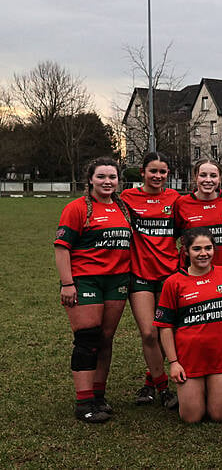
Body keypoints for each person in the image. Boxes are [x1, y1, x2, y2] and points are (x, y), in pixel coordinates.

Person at [55, 157, 133, 422]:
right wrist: (67, 283)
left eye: (112, 177)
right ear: (90, 179)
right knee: (87, 340)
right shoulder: (76, 208)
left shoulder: (123, 208)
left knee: (105, 339)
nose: (107, 182)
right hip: (85, 280)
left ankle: (99, 396)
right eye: (101, 177)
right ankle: (84, 402)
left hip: (116, 282)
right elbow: (62, 247)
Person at [154, 228, 222, 423]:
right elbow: (165, 326)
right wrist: (173, 363)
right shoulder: (173, 283)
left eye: (208, 248)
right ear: (186, 251)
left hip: (220, 356)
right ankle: (199, 390)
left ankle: (216, 390)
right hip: (189, 358)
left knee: (220, 415)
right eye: (197, 249)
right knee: (191, 417)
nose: (203, 253)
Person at [121, 151, 180, 407]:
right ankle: (163, 388)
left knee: (169, 333)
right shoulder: (127, 197)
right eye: (153, 171)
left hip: (169, 273)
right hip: (140, 273)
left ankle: (151, 381)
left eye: (162, 172)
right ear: (143, 172)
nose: (157, 176)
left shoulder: (176, 198)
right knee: (148, 333)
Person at [174, 159, 222, 269]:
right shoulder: (182, 203)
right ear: (195, 177)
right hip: (191, 272)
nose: (208, 180)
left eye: (213, 176)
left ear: (220, 178)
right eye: (203, 175)